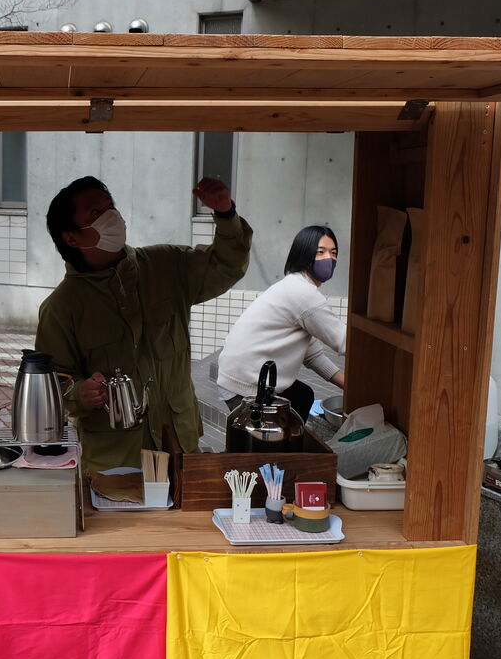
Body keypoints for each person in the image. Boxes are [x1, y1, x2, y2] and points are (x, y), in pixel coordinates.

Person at [35, 175, 252, 474]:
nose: (111, 216)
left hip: (179, 442)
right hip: (117, 460)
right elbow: (51, 385)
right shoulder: (62, 308)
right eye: (95, 213)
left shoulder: (166, 265)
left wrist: (226, 212)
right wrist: (79, 394)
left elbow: (226, 266)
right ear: (71, 237)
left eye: (110, 207)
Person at [216, 225, 346, 421]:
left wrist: (348, 386)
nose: (329, 258)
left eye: (333, 252)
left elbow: (312, 356)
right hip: (247, 384)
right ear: (303, 254)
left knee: (302, 396)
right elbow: (345, 341)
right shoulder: (304, 293)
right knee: (270, 433)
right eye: (320, 252)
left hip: (237, 375)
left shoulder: (293, 285)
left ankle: (290, 439)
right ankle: (277, 442)